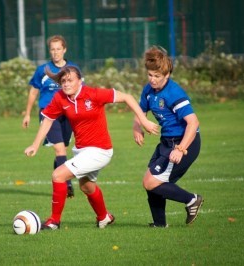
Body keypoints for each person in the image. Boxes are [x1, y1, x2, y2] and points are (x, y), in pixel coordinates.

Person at [24, 65, 159, 230]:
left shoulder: (93, 94)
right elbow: (47, 120)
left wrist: (143, 122)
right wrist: (35, 144)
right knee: (86, 186)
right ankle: (104, 217)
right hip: (81, 150)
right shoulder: (60, 97)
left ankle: (54, 221)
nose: (66, 84)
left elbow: (127, 97)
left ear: (79, 81)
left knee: (58, 175)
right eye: (63, 81)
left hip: (100, 150)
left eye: (70, 80)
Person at [132, 46, 203, 227]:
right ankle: (160, 224)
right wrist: (137, 128)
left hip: (184, 142)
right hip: (167, 142)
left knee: (151, 181)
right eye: (150, 75)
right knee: (151, 179)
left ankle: (192, 199)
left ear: (167, 75)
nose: (152, 80)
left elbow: (193, 123)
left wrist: (181, 149)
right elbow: (140, 111)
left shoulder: (174, 93)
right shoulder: (148, 90)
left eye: (157, 76)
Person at [22, 35, 79, 199]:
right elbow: (33, 91)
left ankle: (59, 173)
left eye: (58, 49)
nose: (55, 52)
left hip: (67, 114)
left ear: (64, 49)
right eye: (52, 49)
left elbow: (80, 91)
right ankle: (66, 185)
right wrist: (27, 114)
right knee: (59, 148)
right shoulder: (43, 70)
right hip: (48, 114)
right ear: (50, 51)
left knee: (63, 149)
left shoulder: (73, 69)